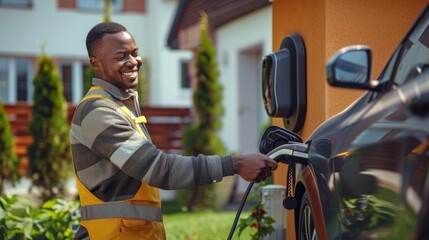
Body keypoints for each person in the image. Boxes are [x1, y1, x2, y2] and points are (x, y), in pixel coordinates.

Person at [70, 22, 277, 240]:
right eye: (121, 56)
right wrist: (234, 164)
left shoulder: (121, 106)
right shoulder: (98, 111)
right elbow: (159, 169)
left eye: (135, 53)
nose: (133, 61)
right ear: (96, 64)